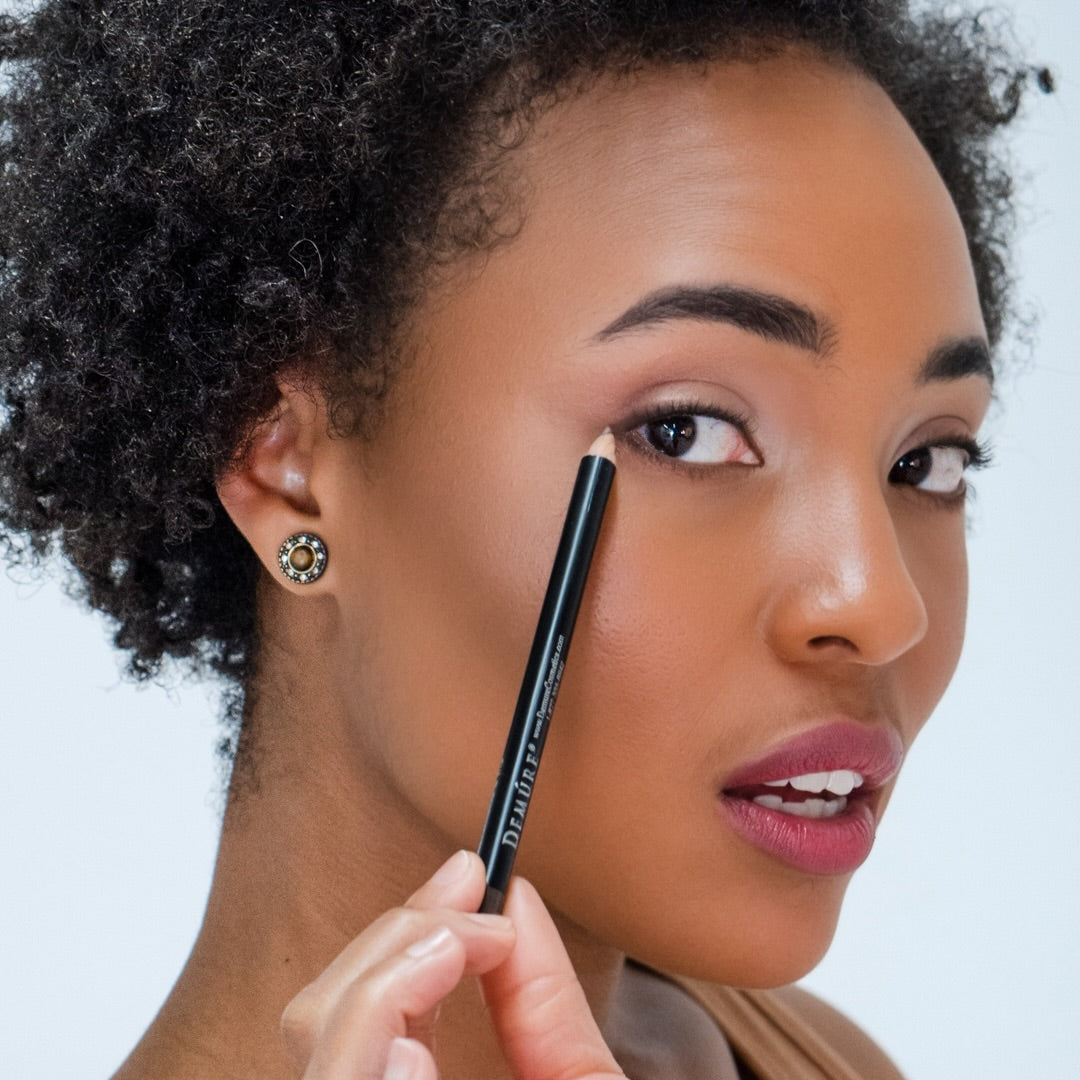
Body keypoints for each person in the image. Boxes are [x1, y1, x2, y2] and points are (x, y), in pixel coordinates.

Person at [0, 2, 1039, 1078]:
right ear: (289, 471)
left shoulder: (817, 1058)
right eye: (683, 431)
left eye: (929, 462)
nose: (878, 606)